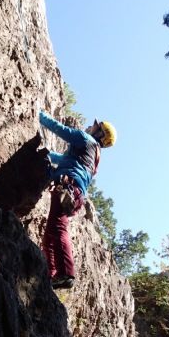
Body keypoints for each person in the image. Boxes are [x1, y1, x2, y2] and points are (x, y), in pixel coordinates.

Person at [38, 110, 117, 289]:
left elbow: (60, 130)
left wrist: (39, 115)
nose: (90, 125)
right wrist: (47, 155)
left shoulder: (85, 139)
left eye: (95, 126)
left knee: (57, 228)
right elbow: (64, 159)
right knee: (51, 232)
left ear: (99, 133)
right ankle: (50, 275)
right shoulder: (93, 154)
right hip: (74, 193)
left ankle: (66, 273)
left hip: (68, 186)